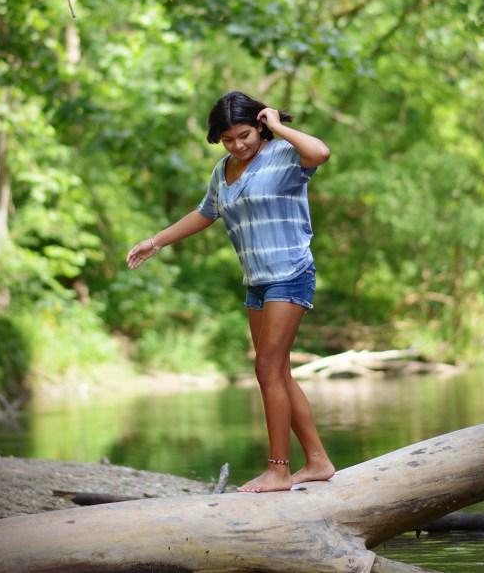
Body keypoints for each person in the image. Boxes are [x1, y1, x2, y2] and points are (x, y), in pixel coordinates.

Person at [127, 91, 335, 492]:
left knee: (266, 369)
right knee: (278, 371)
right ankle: (317, 460)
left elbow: (321, 153)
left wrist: (277, 127)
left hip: (290, 273)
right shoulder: (223, 170)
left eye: (244, 135)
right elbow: (205, 213)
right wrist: (155, 242)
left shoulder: (283, 154)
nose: (237, 145)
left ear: (259, 126)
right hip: (256, 281)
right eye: (227, 139)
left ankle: (278, 470)